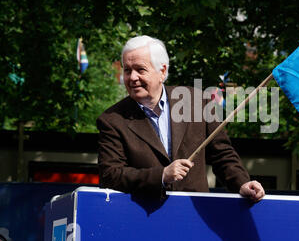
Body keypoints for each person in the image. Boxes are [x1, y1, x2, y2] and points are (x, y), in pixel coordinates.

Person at [97, 35, 265, 202]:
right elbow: (110, 175)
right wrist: (162, 176)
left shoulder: (199, 102)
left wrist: (242, 183)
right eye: (127, 70)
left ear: (162, 71)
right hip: (143, 218)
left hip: (193, 217)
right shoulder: (112, 120)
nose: (132, 77)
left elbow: (222, 155)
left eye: (140, 70)